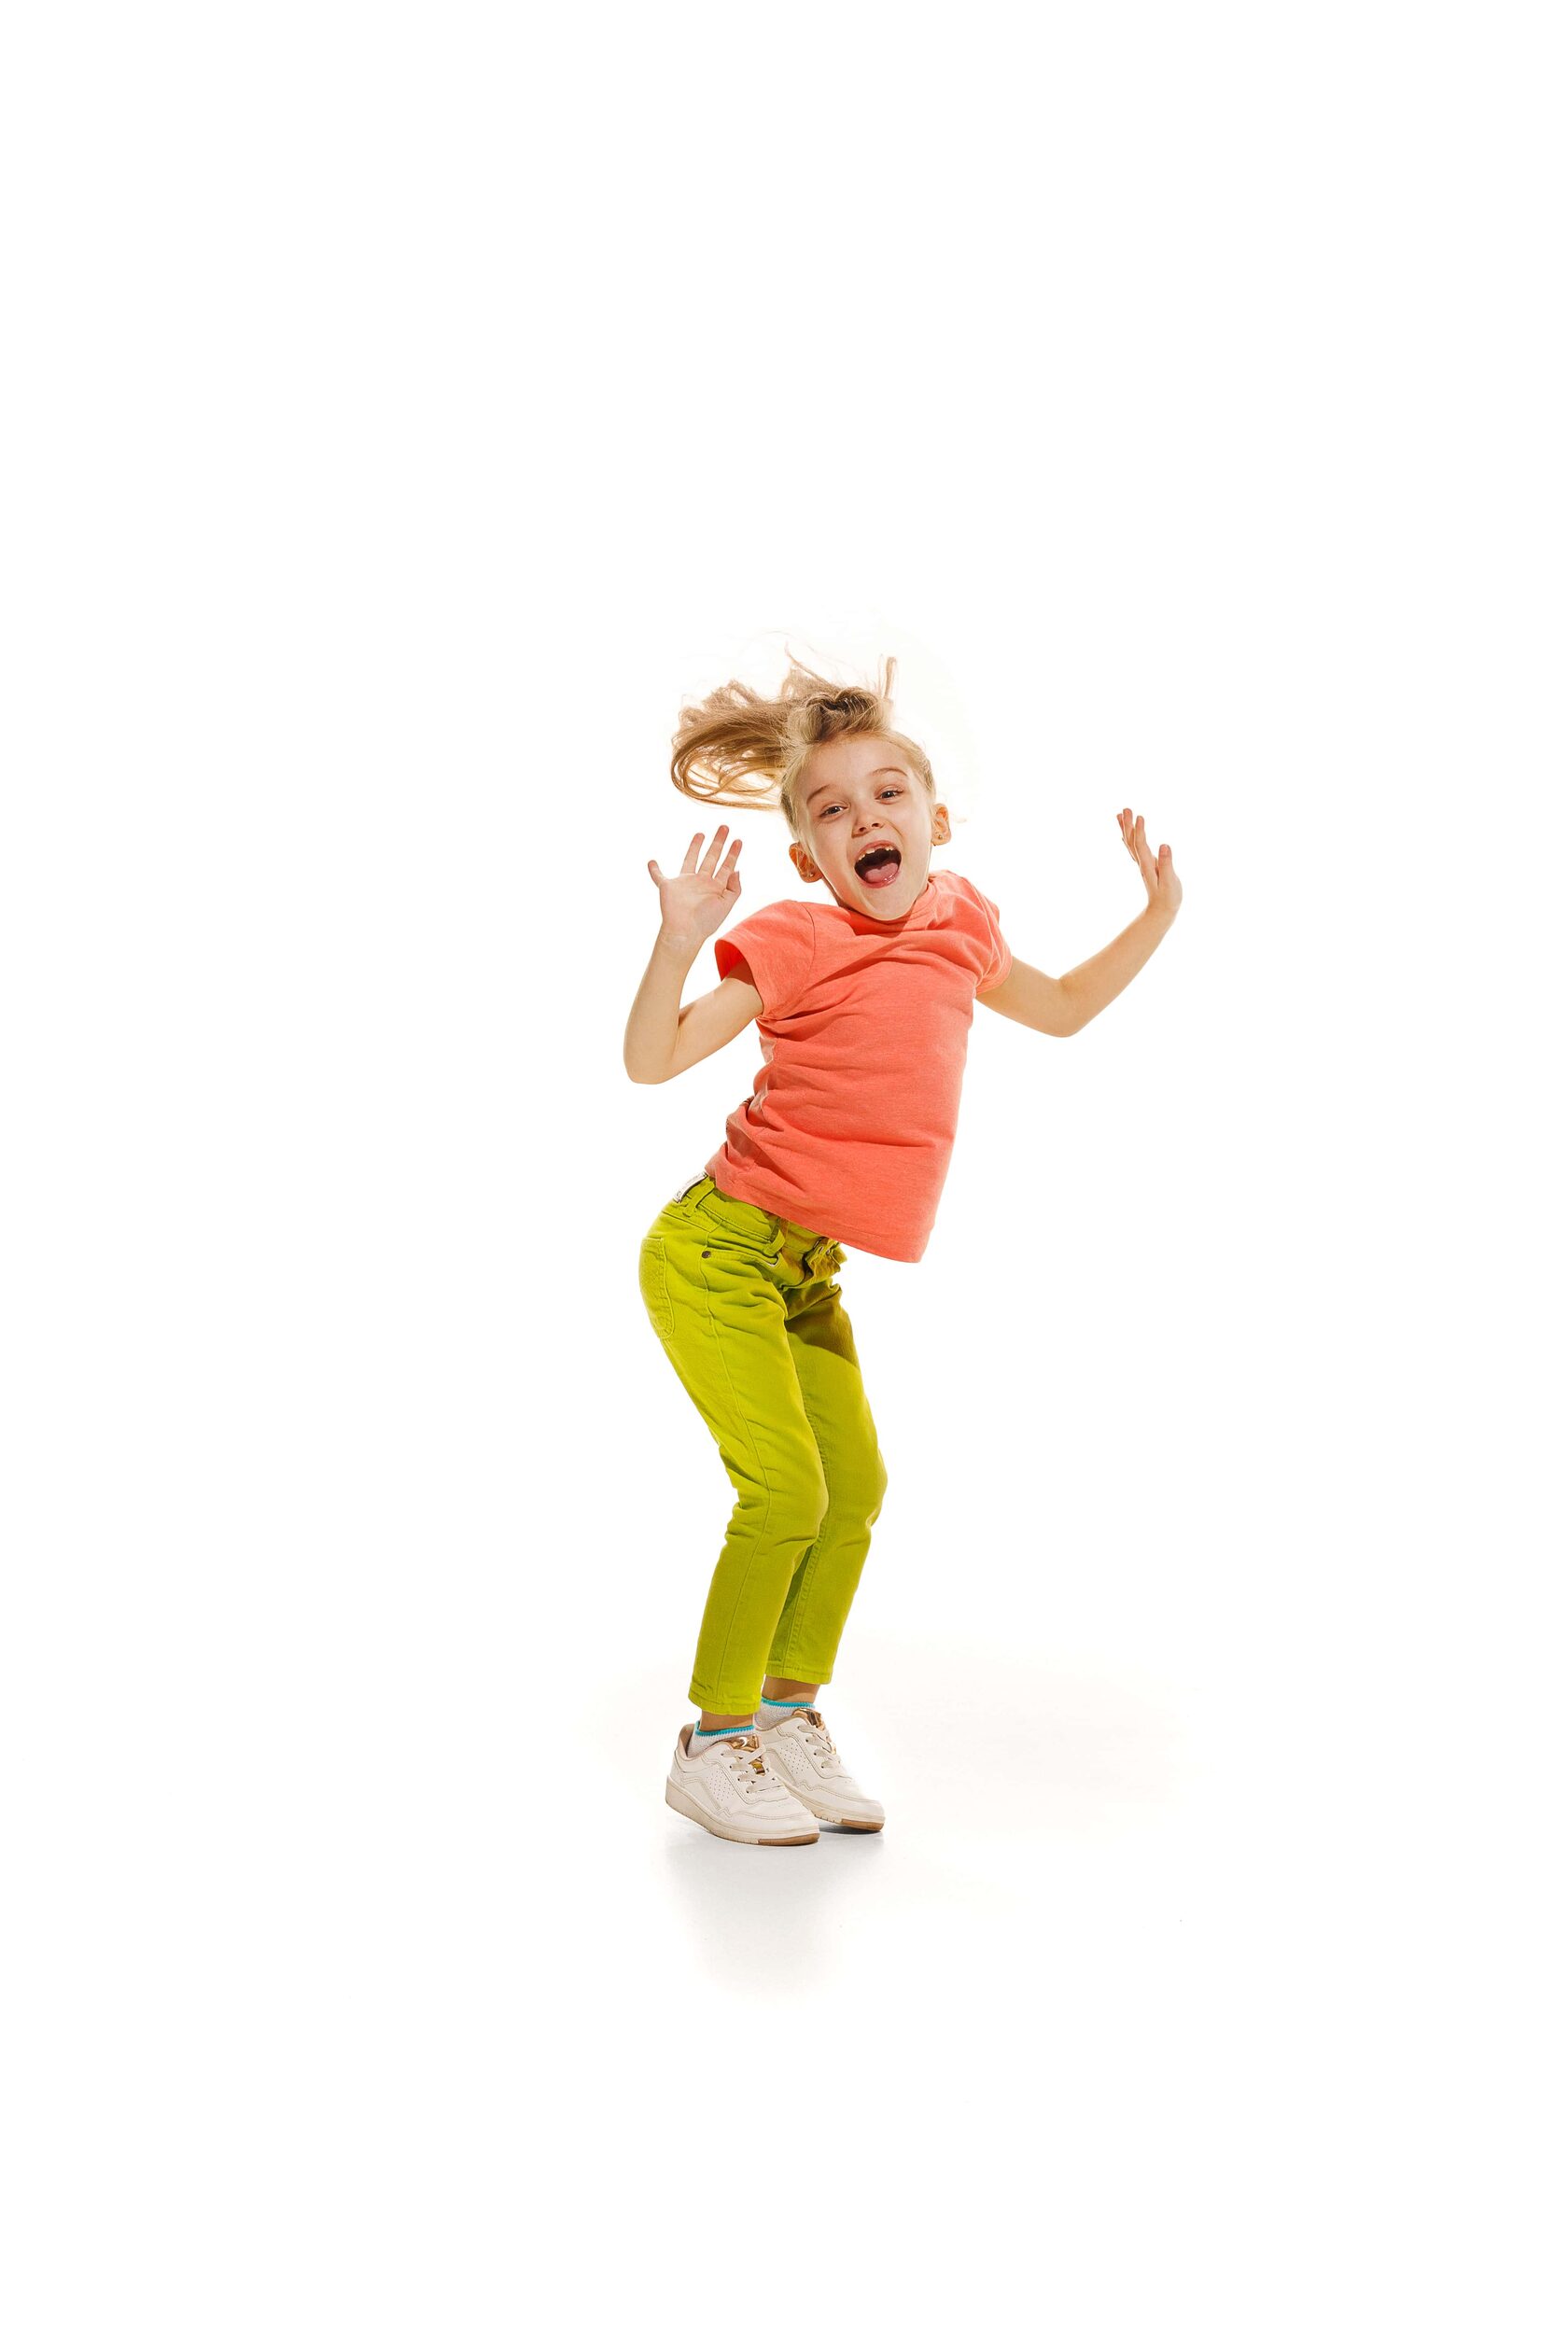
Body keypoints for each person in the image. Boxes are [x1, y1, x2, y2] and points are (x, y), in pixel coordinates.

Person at [624, 653, 1183, 1845]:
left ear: (937, 819)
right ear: (808, 859)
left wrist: (1156, 916)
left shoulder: (960, 925)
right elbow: (652, 1059)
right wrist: (676, 943)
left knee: (855, 1491)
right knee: (787, 1490)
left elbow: (1063, 1008)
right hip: (717, 1253)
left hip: (804, 1269)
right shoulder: (793, 940)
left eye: (889, 795)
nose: (865, 819)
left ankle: (786, 1716)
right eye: (831, 811)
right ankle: (713, 1743)